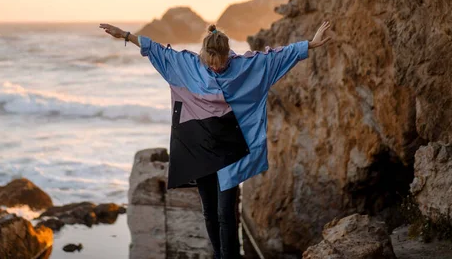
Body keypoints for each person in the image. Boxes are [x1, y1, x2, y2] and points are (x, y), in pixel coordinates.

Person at [99, 21, 332, 258]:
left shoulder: (244, 67)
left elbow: (276, 57)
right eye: (209, 62)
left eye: (218, 62)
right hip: (200, 147)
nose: (214, 67)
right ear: (203, 55)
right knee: (209, 211)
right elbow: (158, 50)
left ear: (226, 56)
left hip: (231, 149)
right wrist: (126, 35)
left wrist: (310, 45)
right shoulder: (190, 65)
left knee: (225, 213)